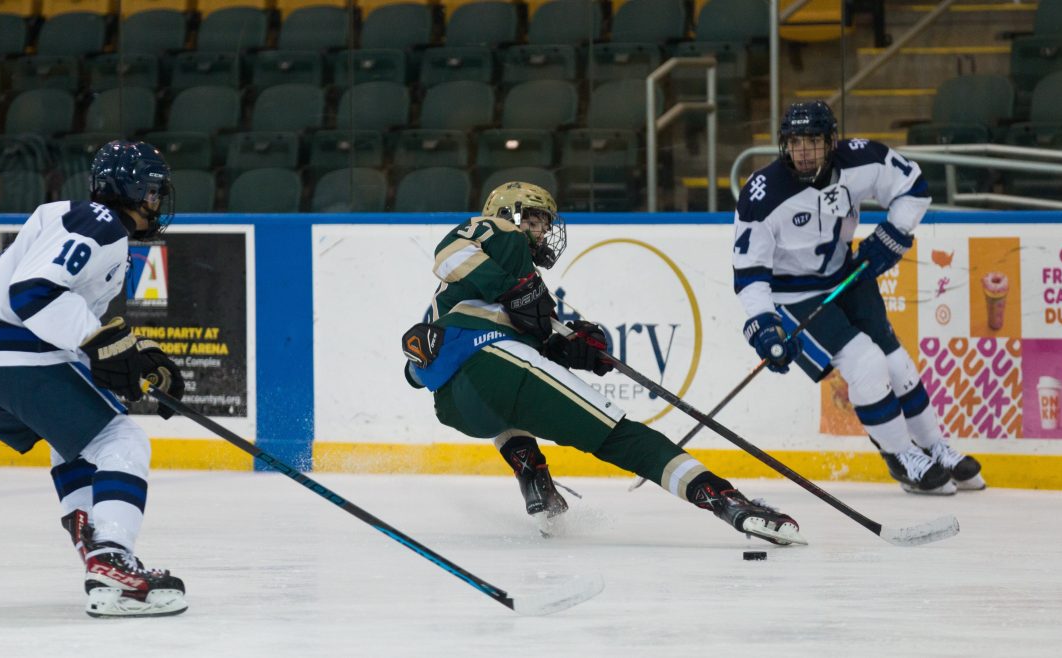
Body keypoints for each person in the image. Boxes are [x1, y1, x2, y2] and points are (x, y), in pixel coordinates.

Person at [401, 181, 804, 546]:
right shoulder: (502, 236)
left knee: (507, 399)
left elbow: (420, 369)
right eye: (536, 220)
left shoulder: (455, 298)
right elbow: (450, 251)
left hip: (455, 405)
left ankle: (531, 474)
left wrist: (573, 346)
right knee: (618, 436)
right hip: (496, 363)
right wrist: (516, 292)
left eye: (544, 223)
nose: (542, 231)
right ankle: (724, 499)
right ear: (511, 214)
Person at [0, 140, 190, 617]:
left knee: (75, 438)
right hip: (1, 346)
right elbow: (33, 292)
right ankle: (111, 556)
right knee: (122, 442)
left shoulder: (76, 225)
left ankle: (94, 541)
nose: (156, 202)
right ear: (131, 190)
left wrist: (133, 356)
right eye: (152, 191)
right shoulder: (102, 222)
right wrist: (100, 341)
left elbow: (55, 320)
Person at [732, 100, 985, 495]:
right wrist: (764, 327)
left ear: (831, 141)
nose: (803, 152)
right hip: (793, 296)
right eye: (795, 142)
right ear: (783, 144)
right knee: (866, 363)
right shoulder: (762, 194)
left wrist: (895, 233)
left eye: (813, 141)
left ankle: (933, 447)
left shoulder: (862, 159)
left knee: (898, 364)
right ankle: (902, 458)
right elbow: (749, 273)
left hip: (847, 276)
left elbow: (913, 186)